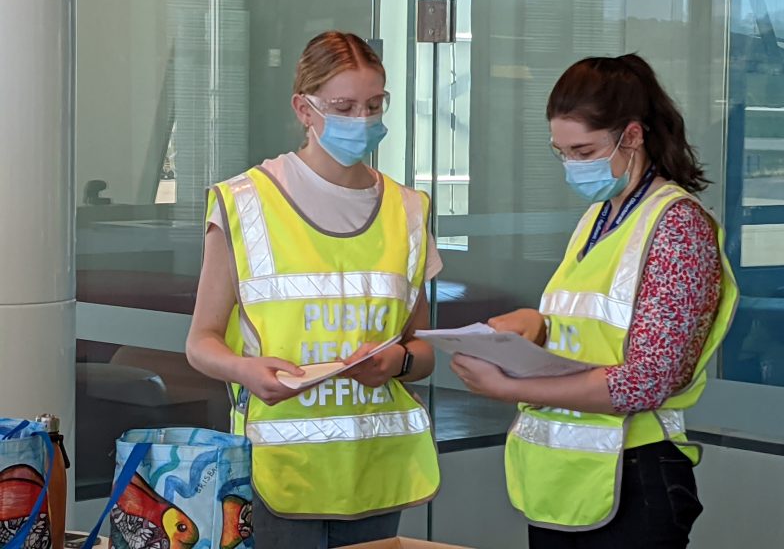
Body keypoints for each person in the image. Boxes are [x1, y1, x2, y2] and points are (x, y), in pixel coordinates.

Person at [450, 54, 738, 548]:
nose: (571, 166)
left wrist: (507, 389)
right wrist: (535, 325)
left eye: (583, 151)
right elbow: (593, 330)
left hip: (634, 473)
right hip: (566, 479)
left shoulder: (676, 227)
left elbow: (647, 381)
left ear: (632, 135)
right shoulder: (600, 218)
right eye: (561, 152)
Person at [186, 31, 441, 549]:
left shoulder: (409, 210)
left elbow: (422, 349)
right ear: (304, 109)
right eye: (343, 106)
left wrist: (397, 363)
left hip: (375, 468)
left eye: (374, 105)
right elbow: (201, 341)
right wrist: (244, 369)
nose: (362, 120)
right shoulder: (245, 202)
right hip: (276, 471)